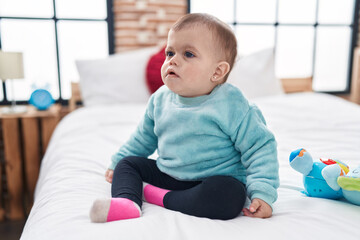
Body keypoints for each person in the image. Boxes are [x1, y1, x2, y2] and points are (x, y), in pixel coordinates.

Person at [90, 13, 279, 223]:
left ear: (217, 71)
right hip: (168, 175)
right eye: (170, 52)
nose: (173, 60)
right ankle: (128, 203)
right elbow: (143, 139)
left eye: (188, 54)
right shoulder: (160, 99)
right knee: (127, 164)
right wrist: (116, 163)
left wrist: (262, 193)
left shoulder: (232, 103)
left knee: (231, 196)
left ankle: (160, 197)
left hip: (213, 180)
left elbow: (259, 147)